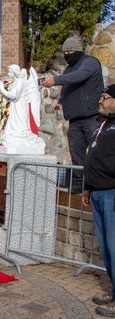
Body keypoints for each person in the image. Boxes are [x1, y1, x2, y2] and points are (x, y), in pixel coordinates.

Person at [43, 34, 104, 192]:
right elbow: (69, 85)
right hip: (75, 120)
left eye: (69, 52)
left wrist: (56, 80)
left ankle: (98, 185)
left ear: (77, 51)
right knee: (76, 155)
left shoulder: (90, 62)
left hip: (92, 118)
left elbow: (78, 77)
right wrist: (62, 102)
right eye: (65, 53)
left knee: (97, 152)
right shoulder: (70, 68)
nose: (67, 56)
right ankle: (78, 186)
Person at [82, 84, 115, 317]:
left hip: (113, 194)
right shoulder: (101, 125)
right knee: (106, 248)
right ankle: (113, 290)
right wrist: (86, 189)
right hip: (96, 193)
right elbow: (91, 156)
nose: (100, 101)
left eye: (105, 97)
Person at [0, 64, 45, 152]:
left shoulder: (20, 82)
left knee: (20, 129)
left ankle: (25, 139)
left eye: (10, 71)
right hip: (15, 108)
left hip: (20, 109)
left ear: (15, 72)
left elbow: (12, 95)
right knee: (11, 131)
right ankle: (15, 139)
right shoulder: (16, 82)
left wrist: (2, 89)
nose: (8, 73)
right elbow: (9, 97)